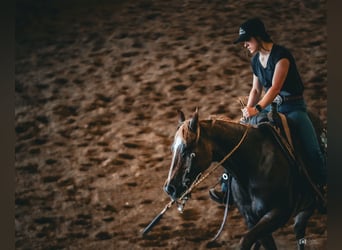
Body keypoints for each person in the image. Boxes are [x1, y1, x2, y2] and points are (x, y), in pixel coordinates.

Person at [209, 17, 327, 205]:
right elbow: (256, 90)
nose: (245, 45)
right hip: (270, 108)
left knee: (312, 150)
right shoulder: (256, 61)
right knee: (237, 140)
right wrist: (247, 110)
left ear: (257, 37)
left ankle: (323, 184)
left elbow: (274, 88)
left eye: (247, 40)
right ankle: (227, 189)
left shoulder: (282, 56)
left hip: (293, 108)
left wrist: (256, 109)